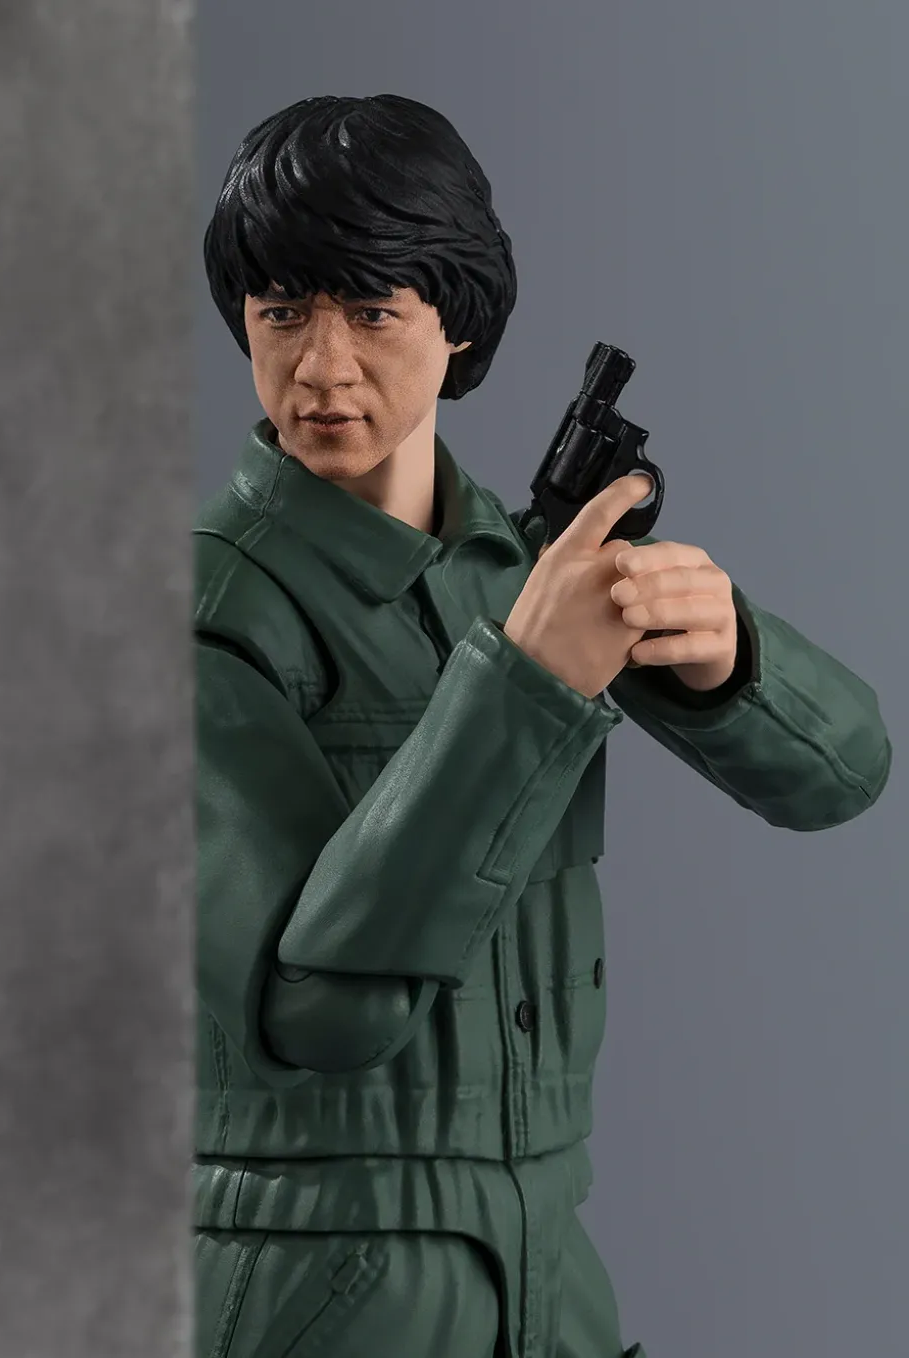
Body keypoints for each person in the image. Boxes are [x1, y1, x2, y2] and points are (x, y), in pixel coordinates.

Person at [191, 94, 891, 1358]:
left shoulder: (518, 573)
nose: (322, 365)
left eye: (373, 310)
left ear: (455, 322)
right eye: (282, 310)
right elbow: (314, 1013)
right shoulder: (211, 611)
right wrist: (522, 680)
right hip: (326, 1271)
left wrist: (728, 655)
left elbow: (841, 774)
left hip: (548, 1256)